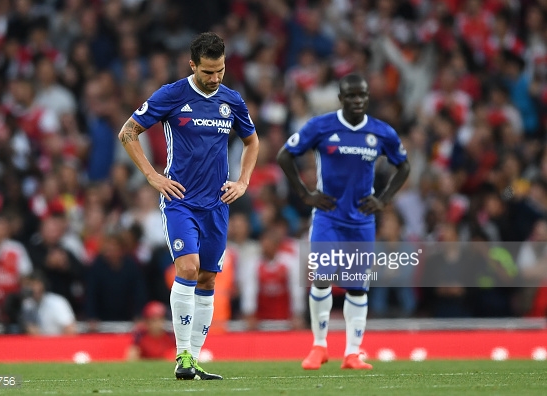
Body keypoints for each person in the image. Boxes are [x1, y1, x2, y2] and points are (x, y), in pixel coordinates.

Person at [118, 32, 259, 380]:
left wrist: (242, 182)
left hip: (217, 204)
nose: (214, 79)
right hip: (180, 201)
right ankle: (181, 355)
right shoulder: (172, 94)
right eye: (208, 72)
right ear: (192, 65)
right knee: (188, 268)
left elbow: (252, 141)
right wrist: (152, 176)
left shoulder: (232, 100)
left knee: (209, 278)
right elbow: (127, 132)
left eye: (220, 71)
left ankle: (193, 360)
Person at [277, 73, 410, 370]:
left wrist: (383, 200)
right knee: (322, 277)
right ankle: (319, 347)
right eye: (351, 95)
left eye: (362, 95)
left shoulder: (381, 132)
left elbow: (404, 165)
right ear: (341, 98)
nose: (358, 100)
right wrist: (305, 194)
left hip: (361, 220)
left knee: (357, 286)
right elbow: (285, 155)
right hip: (328, 216)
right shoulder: (321, 126)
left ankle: (352, 352)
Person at [21, 270, 77, 336]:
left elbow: (70, 329)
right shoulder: (27, 305)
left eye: (36, 284)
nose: (34, 288)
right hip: (38, 343)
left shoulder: (57, 302)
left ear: (43, 284)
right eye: (29, 285)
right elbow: (31, 330)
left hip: (57, 342)